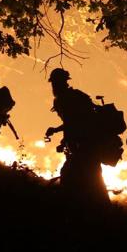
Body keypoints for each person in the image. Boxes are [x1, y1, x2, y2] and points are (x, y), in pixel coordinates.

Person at [44, 68, 106, 203]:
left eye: (55, 82)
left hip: (85, 147)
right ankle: (102, 211)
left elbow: (75, 122)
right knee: (91, 179)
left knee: (79, 178)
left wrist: (59, 133)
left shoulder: (69, 98)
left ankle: (95, 211)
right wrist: (62, 138)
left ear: (60, 82)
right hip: (83, 146)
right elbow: (72, 124)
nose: (53, 86)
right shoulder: (73, 97)